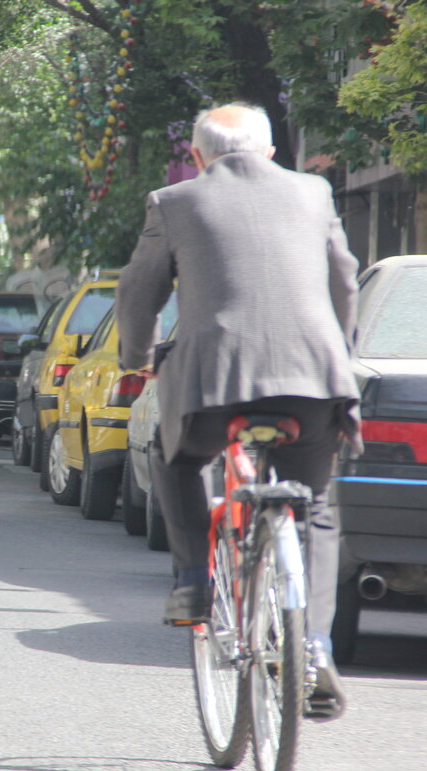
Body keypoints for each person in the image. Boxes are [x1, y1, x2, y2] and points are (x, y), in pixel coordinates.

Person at [115, 103, 360, 720]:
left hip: (213, 383)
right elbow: (344, 283)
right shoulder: (314, 192)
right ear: (271, 152)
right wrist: (339, 356)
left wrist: (137, 358)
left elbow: (139, 290)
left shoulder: (175, 202)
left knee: (176, 455)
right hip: (311, 380)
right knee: (317, 507)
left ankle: (194, 581)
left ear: (197, 157)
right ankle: (314, 646)